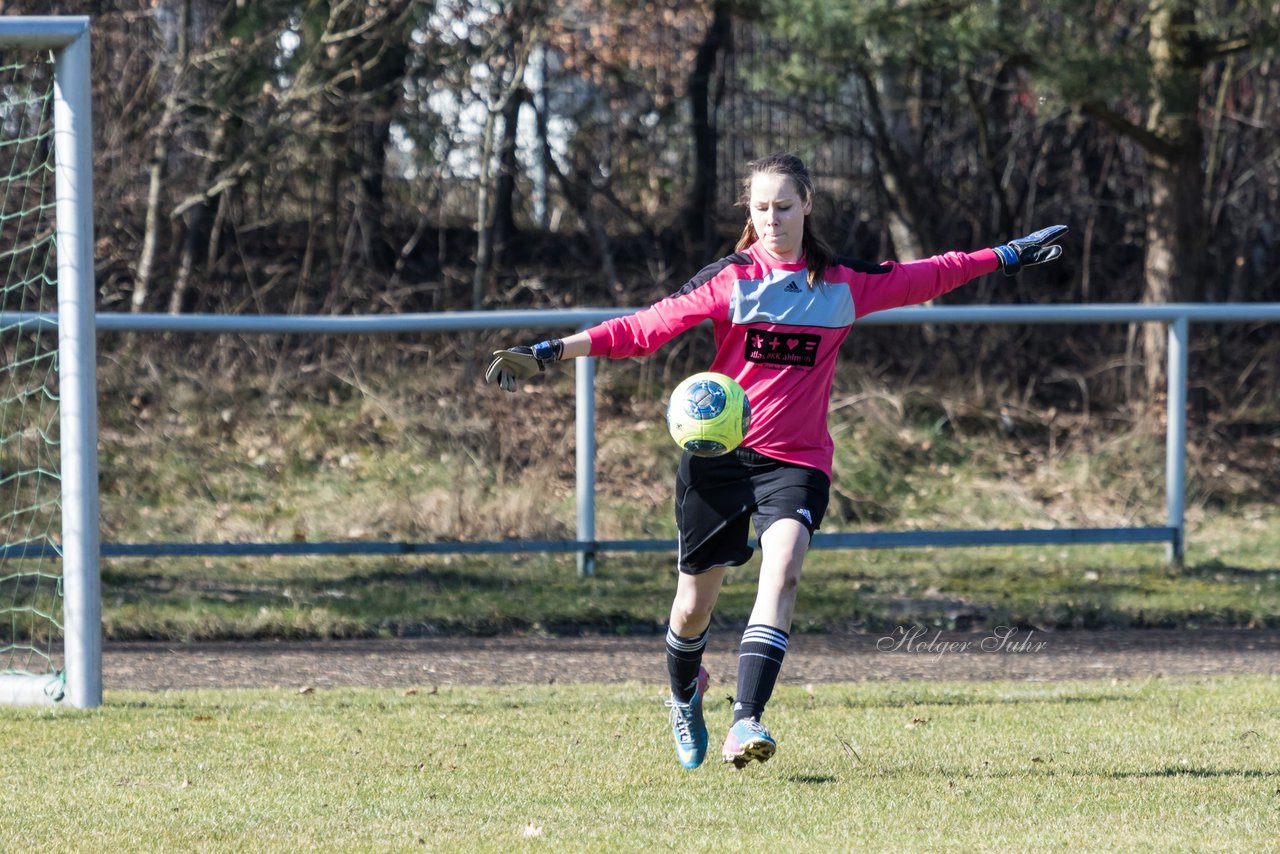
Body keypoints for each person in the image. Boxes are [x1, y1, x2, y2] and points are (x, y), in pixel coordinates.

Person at [485, 152, 1067, 770]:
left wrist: (1009, 253)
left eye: (783, 207)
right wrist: (549, 351)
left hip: (797, 461)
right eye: (759, 208)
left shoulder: (844, 283)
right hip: (720, 458)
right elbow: (643, 328)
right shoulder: (731, 279)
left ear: (807, 205)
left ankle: (746, 721)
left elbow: (933, 273)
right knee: (692, 608)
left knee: (782, 570)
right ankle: (685, 695)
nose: (770, 219)